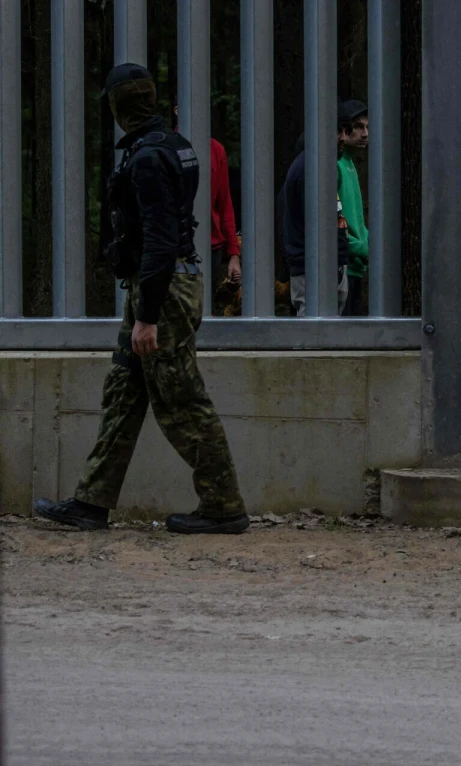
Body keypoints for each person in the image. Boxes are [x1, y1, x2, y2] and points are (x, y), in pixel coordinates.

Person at [34, 63, 249, 535]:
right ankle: (91, 501)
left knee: (181, 402)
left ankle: (224, 506)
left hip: (162, 291)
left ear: (117, 107)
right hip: (161, 285)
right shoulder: (174, 146)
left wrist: (147, 316)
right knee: (124, 395)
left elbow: (159, 237)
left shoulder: (149, 158)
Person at [173, 104, 242, 311]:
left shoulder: (216, 150)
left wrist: (234, 255)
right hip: (173, 247)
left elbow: (225, 204)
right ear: (178, 110)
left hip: (211, 248)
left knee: (206, 311)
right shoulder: (167, 147)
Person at [280, 128, 351, 316]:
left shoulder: (320, 167)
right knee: (312, 335)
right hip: (314, 266)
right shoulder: (308, 169)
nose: (344, 137)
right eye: (338, 131)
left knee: (326, 334)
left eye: (347, 131)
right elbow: (314, 223)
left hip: (327, 262)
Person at [337, 100, 369, 316]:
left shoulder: (350, 165)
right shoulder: (336, 165)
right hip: (342, 267)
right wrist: (364, 249)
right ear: (343, 130)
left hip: (356, 267)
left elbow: (356, 218)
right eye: (358, 127)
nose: (365, 133)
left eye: (367, 127)